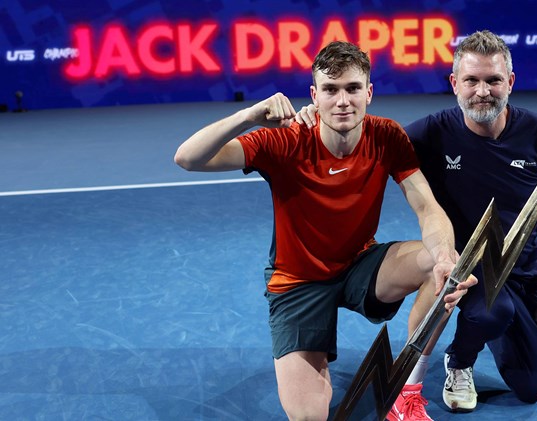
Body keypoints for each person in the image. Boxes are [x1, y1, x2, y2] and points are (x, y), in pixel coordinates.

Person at [173, 40, 476, 421]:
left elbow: (427, 208)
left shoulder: (387, 136)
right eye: (330, 90)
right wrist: (249, 115)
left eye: (352, 88)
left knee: (445, 265)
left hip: (359, 264)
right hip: (297, 283)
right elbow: (187, 158)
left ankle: (407, 387)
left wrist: (446, 257)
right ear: (315, 96)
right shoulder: (284, 140)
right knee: (309, 417)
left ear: (369, 92)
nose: (342, 101)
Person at [295, 29, 537, 420]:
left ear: (510, 82)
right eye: (472, 80)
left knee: (531, 387)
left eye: (494, 80)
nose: (483, 91)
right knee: (490, 313)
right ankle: (459, 362)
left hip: (525, 271)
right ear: (454, 84)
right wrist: (319, 117)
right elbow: (365, 143)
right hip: (465, 269)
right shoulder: (430, 134)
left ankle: (500, 329)